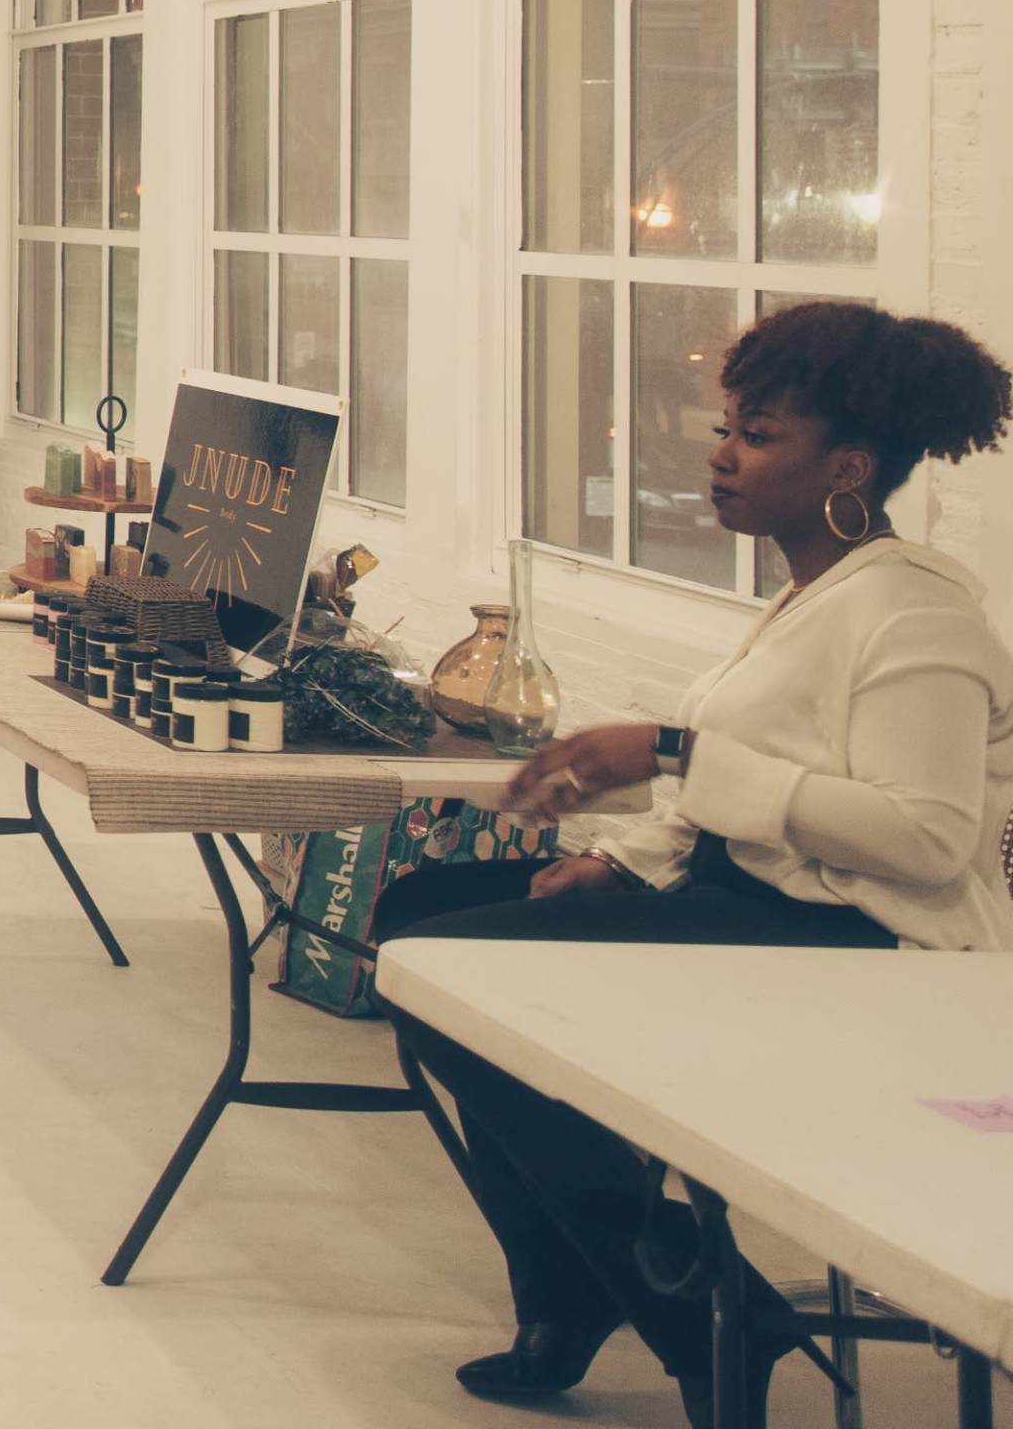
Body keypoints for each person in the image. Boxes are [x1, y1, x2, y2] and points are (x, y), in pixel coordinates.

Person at [378, 302, 1013, 1421]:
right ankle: (602, 1286)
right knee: (422, 917)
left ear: (849, 469)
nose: (721, 456)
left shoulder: (917, 617)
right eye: (727, 429)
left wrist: (669, 752)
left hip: (863, 945)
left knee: (457, 980)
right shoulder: (813, 595)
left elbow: (925, 838)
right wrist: (625, 864)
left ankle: (682, 1296)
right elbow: (747, 782)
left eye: (758, 436)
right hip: (755, 899)